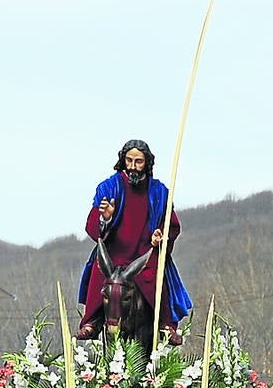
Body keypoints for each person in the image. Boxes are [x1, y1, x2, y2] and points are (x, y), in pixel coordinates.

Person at [76, 139, 191, 345]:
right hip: (115, 253)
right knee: (100, 271)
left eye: (138, 161)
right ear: (123, 160)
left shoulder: (160, 192)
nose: (133, 166)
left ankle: (165, 323)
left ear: (146, 163)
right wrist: (106, 218)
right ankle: (92, 321)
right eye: (129, 160)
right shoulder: (109, 187)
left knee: (157, 275)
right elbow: (93, 226)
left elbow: (171, 226)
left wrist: (160, 235)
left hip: (145, 253)